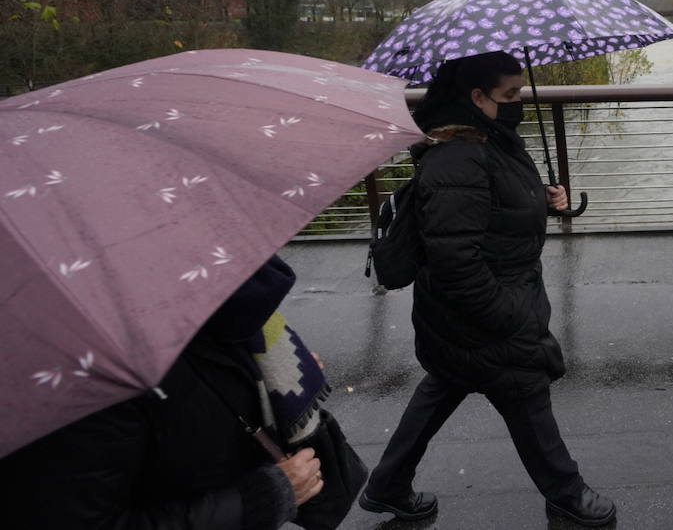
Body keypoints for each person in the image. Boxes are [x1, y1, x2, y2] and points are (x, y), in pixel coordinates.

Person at [359, 51, 615, 527]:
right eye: (510, 95)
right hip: (482, 309)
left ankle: (387, 484)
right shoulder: (457, 158)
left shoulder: (489, 138)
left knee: (445, 384)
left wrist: (545, 200)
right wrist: (509, 316)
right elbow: (457, 261)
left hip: (465, 310)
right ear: (477, 97)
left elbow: (492, 207)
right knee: (524, 389)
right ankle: (566, 492)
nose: (518, 103)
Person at [0, 255, 366, 529]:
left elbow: (203, 389)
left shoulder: (205, 296)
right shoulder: (74, 369)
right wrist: (259, 501)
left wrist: (269, 382)